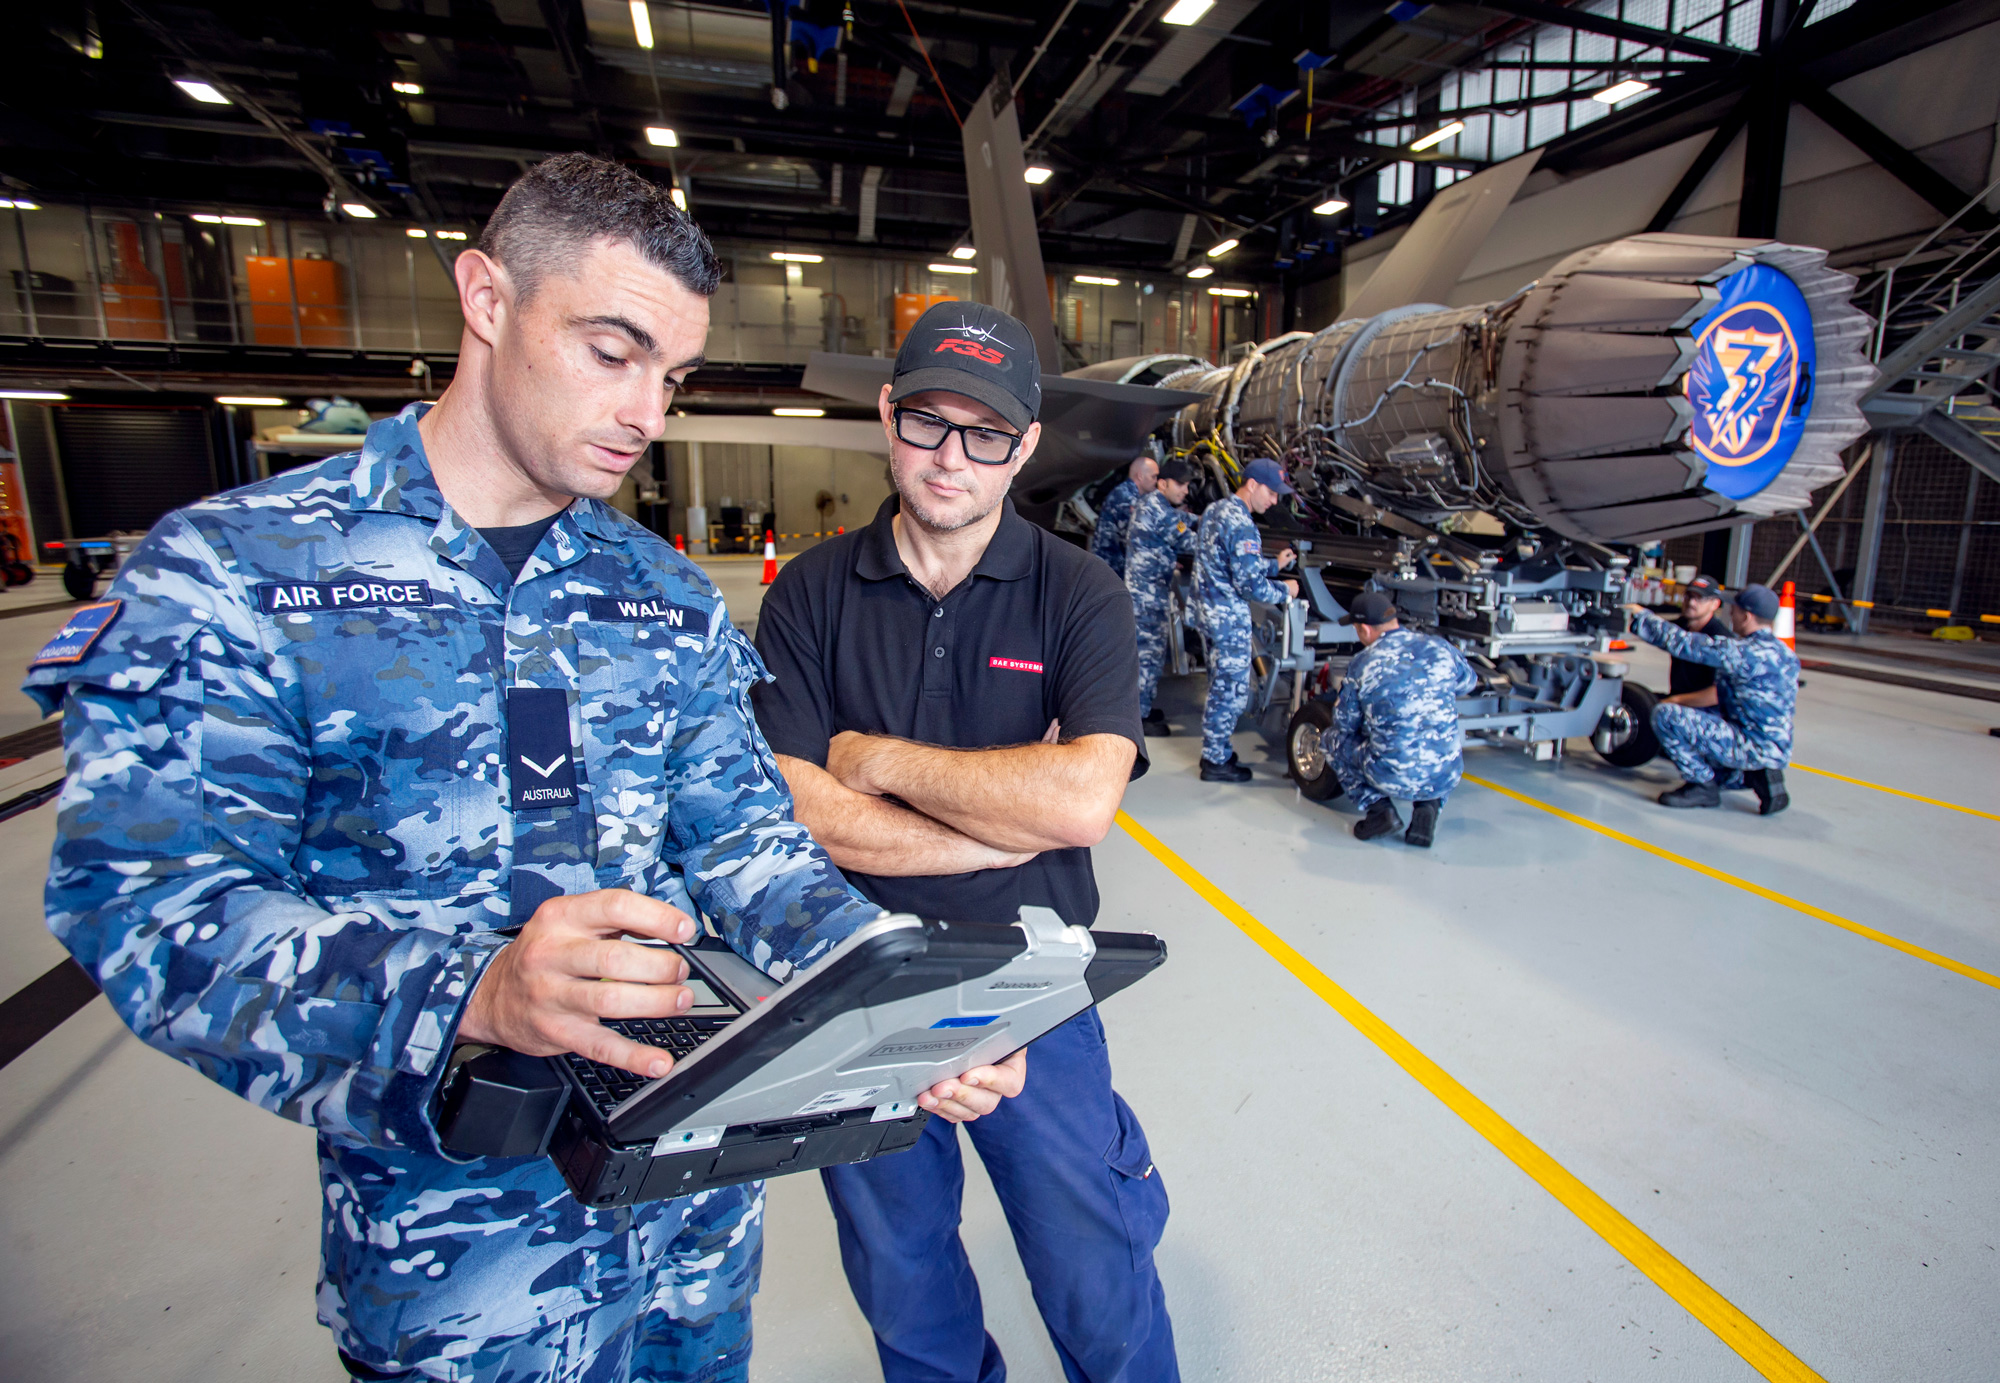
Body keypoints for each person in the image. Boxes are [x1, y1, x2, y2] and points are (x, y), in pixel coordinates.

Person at [24, 153, 1005, 1383]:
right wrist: (466, 997)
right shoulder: (242, 577)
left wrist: (892, 999)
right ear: (485, 299)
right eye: (612, 351)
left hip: (690, 1236)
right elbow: (148, 904)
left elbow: (747, 850)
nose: (647, 412)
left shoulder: (659, 594)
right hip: (461, 1278)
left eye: (674, 374)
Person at [751, 300, 1177, 1383]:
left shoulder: (1077, 592)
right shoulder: (808, 593)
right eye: (927, 424)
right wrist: (994, 828)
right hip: (855, 982)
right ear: (886, 417)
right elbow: (793, 799)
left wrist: (873, 758)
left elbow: (1081, 800)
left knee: (1095, 1263)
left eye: (984, 435)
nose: (952, 459)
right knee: (901, 1274)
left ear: (1023, 446)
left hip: (1029, 982)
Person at [1623, 582, 1798, 814]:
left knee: (1665, 715)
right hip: (1775, 747)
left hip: (1750, 745)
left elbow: (1684, 644)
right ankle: (1761, 775)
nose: (1730, 614)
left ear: (1746, 616)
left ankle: (1702, 786)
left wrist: (1641, 616)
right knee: (1712, 730)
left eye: (1733, 610)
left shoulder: (1743, 652)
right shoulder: (1785, 654)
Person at [1325, 591, 1479, 848]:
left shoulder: (1364, 662)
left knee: (1332, 740)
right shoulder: (1439, 647)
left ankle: (1379, 811)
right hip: (1446, 773)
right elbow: (1467, 683)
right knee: (1436, 749)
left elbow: (1345, 724)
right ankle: (1428, 807)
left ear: (1364, 629)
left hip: (1390, 775)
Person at [1193, 457, 1298, 782]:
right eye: (1271, 492)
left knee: (1219, 684)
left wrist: (1272, 565)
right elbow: (1249, 585)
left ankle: (1216, 750)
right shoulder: (1242, 523)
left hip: (1208, 613)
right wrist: (1286, 589)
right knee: (1231, 691)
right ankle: (1215, 760)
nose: (1274, 500)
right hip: (1227, 620)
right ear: (1252, 485)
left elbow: (1228, 562)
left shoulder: (1217, 510)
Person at [1126, 456, 1198, 736]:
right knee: (1148, 656)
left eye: (1188, 485)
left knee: (1146, 655)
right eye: (1181, 485)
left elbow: (1180, 519)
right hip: (1147, 598)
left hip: (1144, 594)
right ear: (1163, 483)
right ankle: (1138, 719)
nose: (1185, 491)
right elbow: (1188, 542)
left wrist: (1196, 518)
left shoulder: (1152, 504)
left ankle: (1141, 707)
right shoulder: (1158, 510)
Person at [1662, 573, 1737, 706]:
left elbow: (1717, 694)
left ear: (1715, 604)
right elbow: (1655, 629)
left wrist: (1675, 701)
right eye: (1689, 596)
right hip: (1677, 697)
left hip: (1705, 710)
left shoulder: (1721, 639)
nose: (1691, 602)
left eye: (1699, 598)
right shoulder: (1679, 627)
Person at [1091, 453, 1158, 578]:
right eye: (1153, 477)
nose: (1156, 481)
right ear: (1140, 476)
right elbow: (1136, 535)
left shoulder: (1134, 496)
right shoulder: (1125, 497)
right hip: (1109, 569)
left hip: (1114, 567)